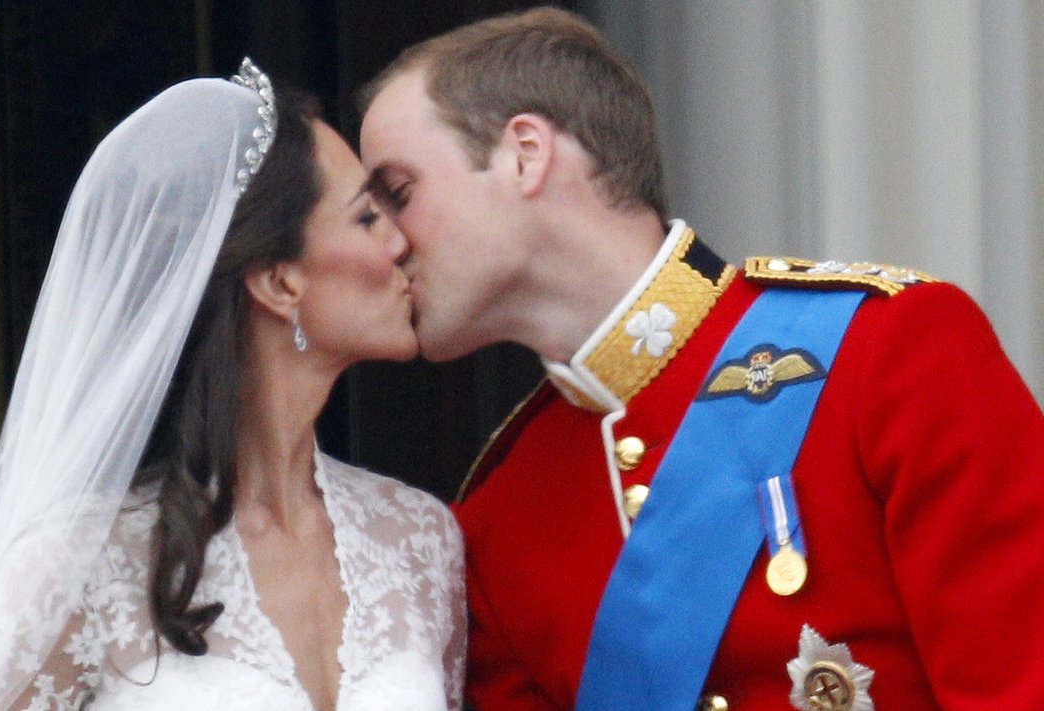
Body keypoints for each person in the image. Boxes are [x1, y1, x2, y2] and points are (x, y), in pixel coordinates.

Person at [358, 7, 1044, 711]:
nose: (384, 245)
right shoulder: (499, 519)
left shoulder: (888, 348)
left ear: (525, 153)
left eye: (399, 195)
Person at [0, 60, 464, 711]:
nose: (402, 242)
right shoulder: (80, 562)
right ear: (280, 282)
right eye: (369, 219)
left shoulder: (421, 539)